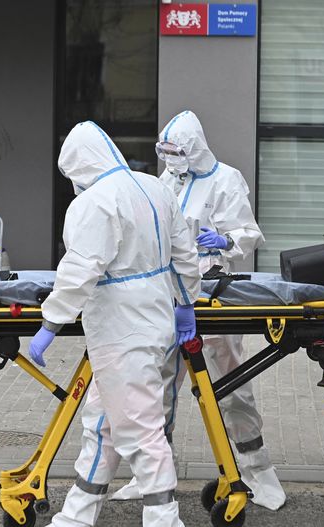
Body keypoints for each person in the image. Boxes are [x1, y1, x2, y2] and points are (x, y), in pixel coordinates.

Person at [28, 121, 201, 527]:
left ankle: (164, 518)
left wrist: (51, 323)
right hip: (157, 316)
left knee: (141, 429)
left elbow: (80, 269)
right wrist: (185, 301)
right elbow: (184, 252)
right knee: (102, 423)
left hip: (120, 328)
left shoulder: (94, 203)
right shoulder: (155, 188)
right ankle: (77, 515)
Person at [111, 110, 286, 511]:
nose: (171, 160)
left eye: (176, 152)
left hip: (212, 292)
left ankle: (258, 472)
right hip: (167, 291)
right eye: (166, 153)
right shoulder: (166, 181)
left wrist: (224, 241)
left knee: (232, 386)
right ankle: (152, 473)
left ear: (194, 149)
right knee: (158, 386)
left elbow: (248, 233)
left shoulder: (226, 179)